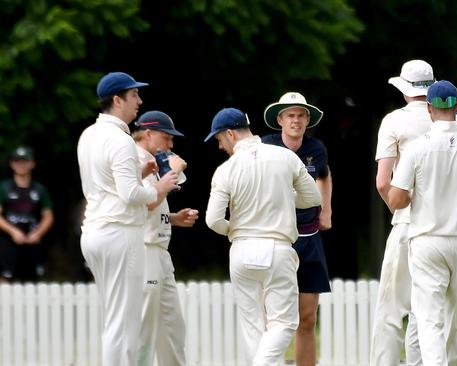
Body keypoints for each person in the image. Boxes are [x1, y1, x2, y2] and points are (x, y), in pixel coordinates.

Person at [387, 80, 457, 366]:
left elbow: (396, 199)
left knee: (429, 320)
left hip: (427, 240)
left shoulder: (417, 148)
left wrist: (408, 193)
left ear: (429, 108)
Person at [372, 60, 457, 366]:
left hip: (408, 225)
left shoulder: (394, 121)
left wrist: (400, 206)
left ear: (404, 89)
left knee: (391, 310)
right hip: (451, 227)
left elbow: (383, 182)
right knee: (430, 313)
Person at [204, 107, 321, 366]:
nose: (221, 146)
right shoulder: (286, 157)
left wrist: (233, 230)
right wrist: (287, 198)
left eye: (220, 139)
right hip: (277, 249)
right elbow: (313, 198)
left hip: (241, 250)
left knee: (253, 327)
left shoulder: (226, 170)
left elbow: (212, 220)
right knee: (283, 322)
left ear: (231, 134)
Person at [77, 71, 178, 366]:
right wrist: (158, 187)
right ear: (117, 100)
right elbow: (131, 195)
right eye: (134, 95)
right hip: (120, 234)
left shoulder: (88, 135)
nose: (139, 100)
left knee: (114, 319)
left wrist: (139, 173)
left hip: (94, 233)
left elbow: (105, 181)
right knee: (124, 324)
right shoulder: (120, 140)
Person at [261, 92, 332, 366]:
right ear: (280, 119)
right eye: (290, 114)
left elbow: (325, 176)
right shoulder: (266, 146)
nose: (296, 120)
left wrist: (326, 210)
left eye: (301, 115)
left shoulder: (316, 149)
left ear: (307, 120)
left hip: (309, 234)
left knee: (308, 317)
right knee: (272, 318)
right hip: (275, 236)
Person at [133, 110, 199, 366]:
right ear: (148, 134)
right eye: (166, 138)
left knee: (172, 328)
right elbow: (146, 202)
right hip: (145, 248)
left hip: (160, 249)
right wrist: (170, 175)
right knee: (144, 328)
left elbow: (151, 206)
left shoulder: (152, 160)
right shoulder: (133, 159)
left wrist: (173, 218)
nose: (171, 145)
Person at [0, 146, 54, 283]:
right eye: (18, 161)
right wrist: (13, 231)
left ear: (32, 163)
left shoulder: (39, 189)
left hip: (32, 243)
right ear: (12, 164)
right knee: (5, 281)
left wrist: (37, 233)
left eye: (25, 161)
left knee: (32, 284)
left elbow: (48, 216)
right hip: (8, 244)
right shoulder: (4, 187)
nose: (21, 165)